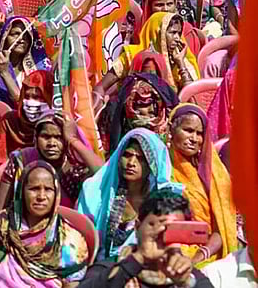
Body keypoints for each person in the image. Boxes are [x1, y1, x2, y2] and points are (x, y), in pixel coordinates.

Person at [0, 161, 89, 288]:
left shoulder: (69, 239)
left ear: (56, 193)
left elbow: (73, 283)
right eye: (34, 189)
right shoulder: (2, 225)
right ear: (21, 191)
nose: (41, 196)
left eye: (48, 189)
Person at [77, 128, 180, 261]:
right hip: (98, 267)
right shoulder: (96, 191)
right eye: (127, 155)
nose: (131, 163)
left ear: (152, 165)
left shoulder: (162, 203)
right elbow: (81, 239)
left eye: (141, 159)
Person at [77, 188, 214, 288]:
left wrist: (186, 283)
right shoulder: (109, 268)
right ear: (137, 227)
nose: (160, 232)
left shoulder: (191, 276)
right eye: (153, 224)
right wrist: (138, 259)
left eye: (171, 227)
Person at [167, 104, 238, 265]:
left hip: (205, 256)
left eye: (199, 133)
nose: (194, 138)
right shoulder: (160, 166)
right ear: (171, 130)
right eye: (188, 130)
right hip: (163, 252)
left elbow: (222, 228)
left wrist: (197, 258)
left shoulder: (214, 176)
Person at [0, 17, 52, 108]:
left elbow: (29, 107)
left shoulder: (39, 70)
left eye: (26, 35)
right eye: (15, 34)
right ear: (5, 37)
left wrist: (5, 73)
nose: (21, 39)